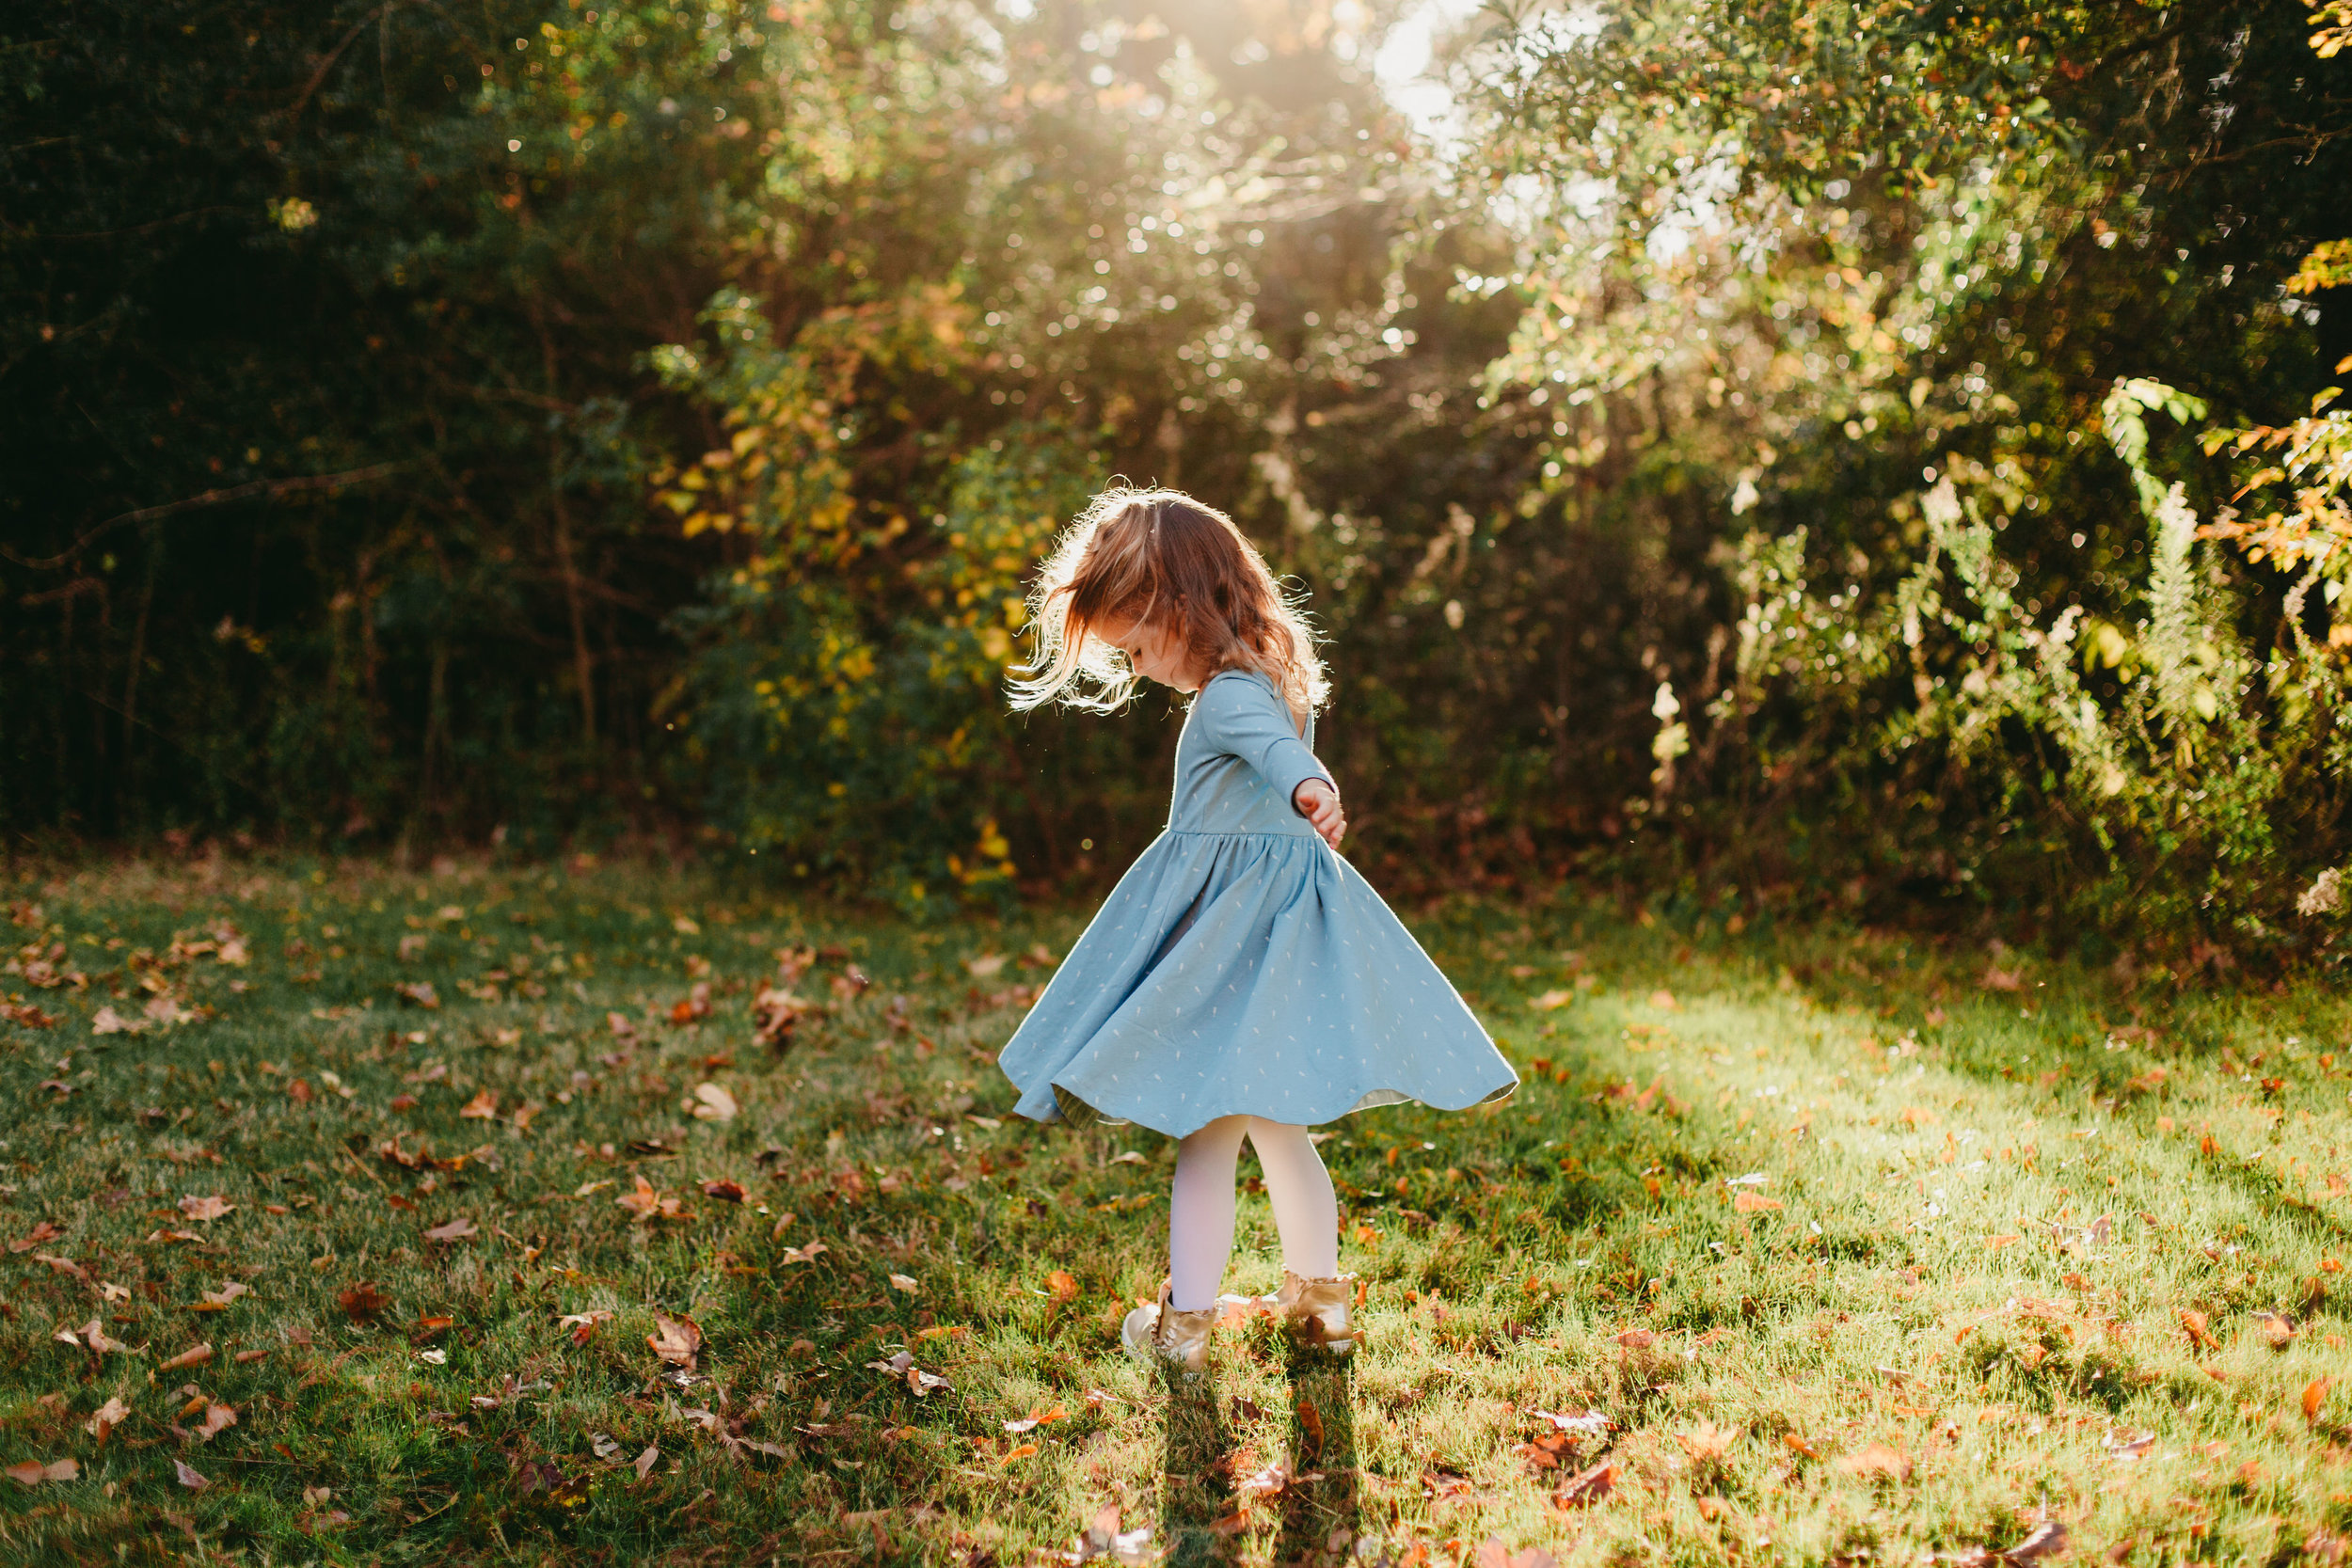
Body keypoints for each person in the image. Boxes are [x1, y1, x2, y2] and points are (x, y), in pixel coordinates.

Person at [997, 484, 1517, 1374]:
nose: (1132, 661)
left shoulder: (1231, 695)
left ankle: (1186, 1328)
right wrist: (1302, 779)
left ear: (1176, 603)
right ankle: (1321, 1307)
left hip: (1223, 951)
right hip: (1274, 946)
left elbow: (1280, 757)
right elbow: (1282, 745)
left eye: (1134, 639)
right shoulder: (1271, 680)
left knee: (1207, 1135)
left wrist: (1311, 786)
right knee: (1279, 1128)